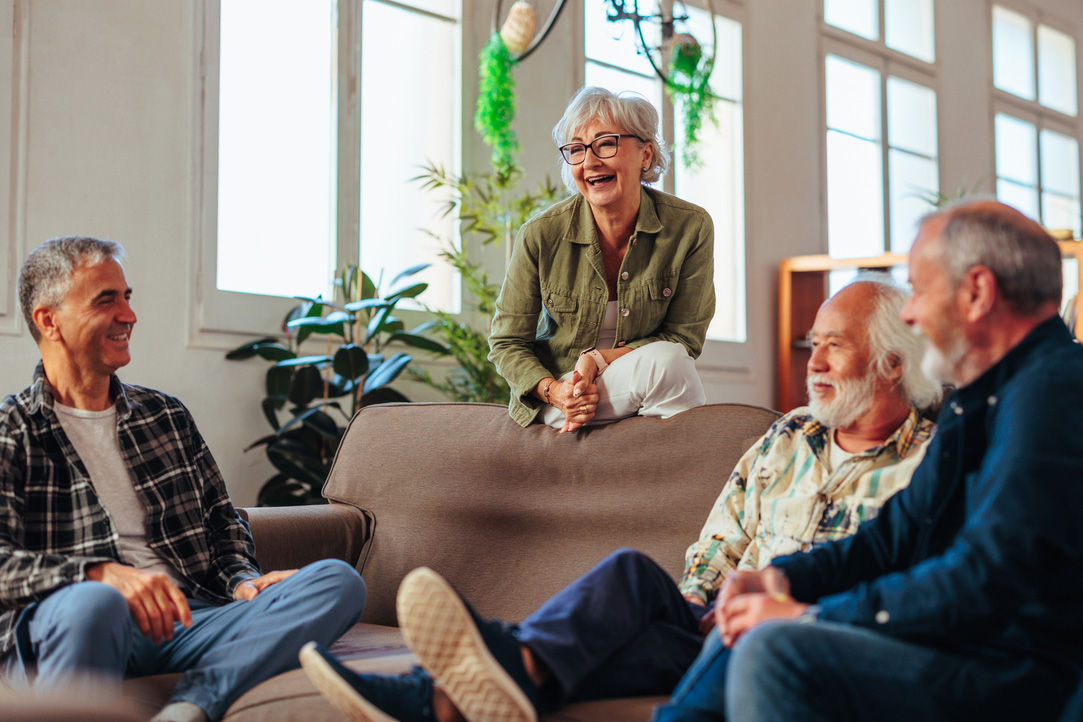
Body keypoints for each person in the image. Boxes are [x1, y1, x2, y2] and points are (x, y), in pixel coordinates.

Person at [298, 276, 942, 722]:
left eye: (836, 344)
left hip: (791, 642)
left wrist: (777, 611)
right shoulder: (787, 437)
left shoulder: (931, 463)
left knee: (630, 647)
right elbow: (724, 536)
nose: (815, 361)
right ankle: (480, 675)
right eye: (813, 342)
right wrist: (698, 599)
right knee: (634, 575)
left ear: (890, 363)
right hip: (715, 621)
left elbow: (909, 582)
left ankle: (438, 696)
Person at [660, 200, 1083, 722]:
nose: (910, 314)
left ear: (976, 293)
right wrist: (780, 581)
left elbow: (984, 578)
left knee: (775, 651)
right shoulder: (977, 400)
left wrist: (810, 617)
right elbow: (893, 537)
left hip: (1014, 675)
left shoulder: (1055, 391)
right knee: (750, 623)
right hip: (959, 648)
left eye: (920, 290)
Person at [0, 237, 367, 722]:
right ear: (49, 320)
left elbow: (223, 521)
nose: (128, 316)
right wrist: (97, 573)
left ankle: (192, 704)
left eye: (127, 298)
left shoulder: (166, 416)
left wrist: (242, 583)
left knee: (338, 581)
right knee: (96, 605)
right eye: (106, 300)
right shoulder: (12, 429)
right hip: (82, 619)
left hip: (190, 616)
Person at [488, 86, 716, 433]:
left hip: (643, 378)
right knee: (670, 369)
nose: (590, 161)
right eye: (576, 150)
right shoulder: (540, 234)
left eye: (605, 143)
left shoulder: (690, 227)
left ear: (645, 155)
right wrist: (555, 392)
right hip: (565, 393)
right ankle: (682, 481)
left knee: (671, 362)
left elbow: (685, 339)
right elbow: (506, 343)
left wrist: (598, 358)